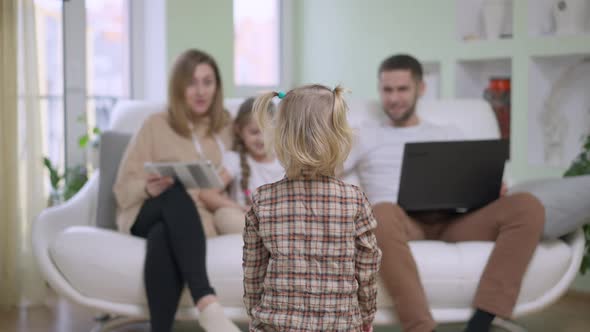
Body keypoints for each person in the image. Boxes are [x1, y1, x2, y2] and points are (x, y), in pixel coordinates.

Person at [343, 54, 545, 332]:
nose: (394, 98)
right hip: (399, 223)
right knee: (381, 212)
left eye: (402, 89)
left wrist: (490, 190)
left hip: (455, 221)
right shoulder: (364, 135)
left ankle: (483, 320)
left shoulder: (450, 132)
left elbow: (477, 178)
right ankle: (422, 327)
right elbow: (325, 168)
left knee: (527, 205)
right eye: (387, 90)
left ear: (420, 89)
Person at [113, 49, 241, 332]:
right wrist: (149, 188)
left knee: (163, 235)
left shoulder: (226, 128)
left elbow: (255, 155)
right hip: (145, 212)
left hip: (192, 222)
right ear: (178, 87)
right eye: (191, 82)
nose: (200, 91)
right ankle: (207, 302)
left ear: (217, 87)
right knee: (174, 192)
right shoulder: (155, 125)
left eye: (207, 82)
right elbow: (122, 188)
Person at [242, 85, 382, 332]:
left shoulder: (262, 200)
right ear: (338, 138)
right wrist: (366, 314)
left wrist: (255, 316)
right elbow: (367, 269)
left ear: (281, 137)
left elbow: (253, 272)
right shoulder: (354, 200)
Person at [199, 97, 284, 234]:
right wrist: (239, 207)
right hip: (248, 221)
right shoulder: (235, 160)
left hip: (280, 221)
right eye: (254, 132)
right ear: (239, 130)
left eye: (267, 132)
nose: (261, 139)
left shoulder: (284, 161)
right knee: (224, 215)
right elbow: (207, 194)